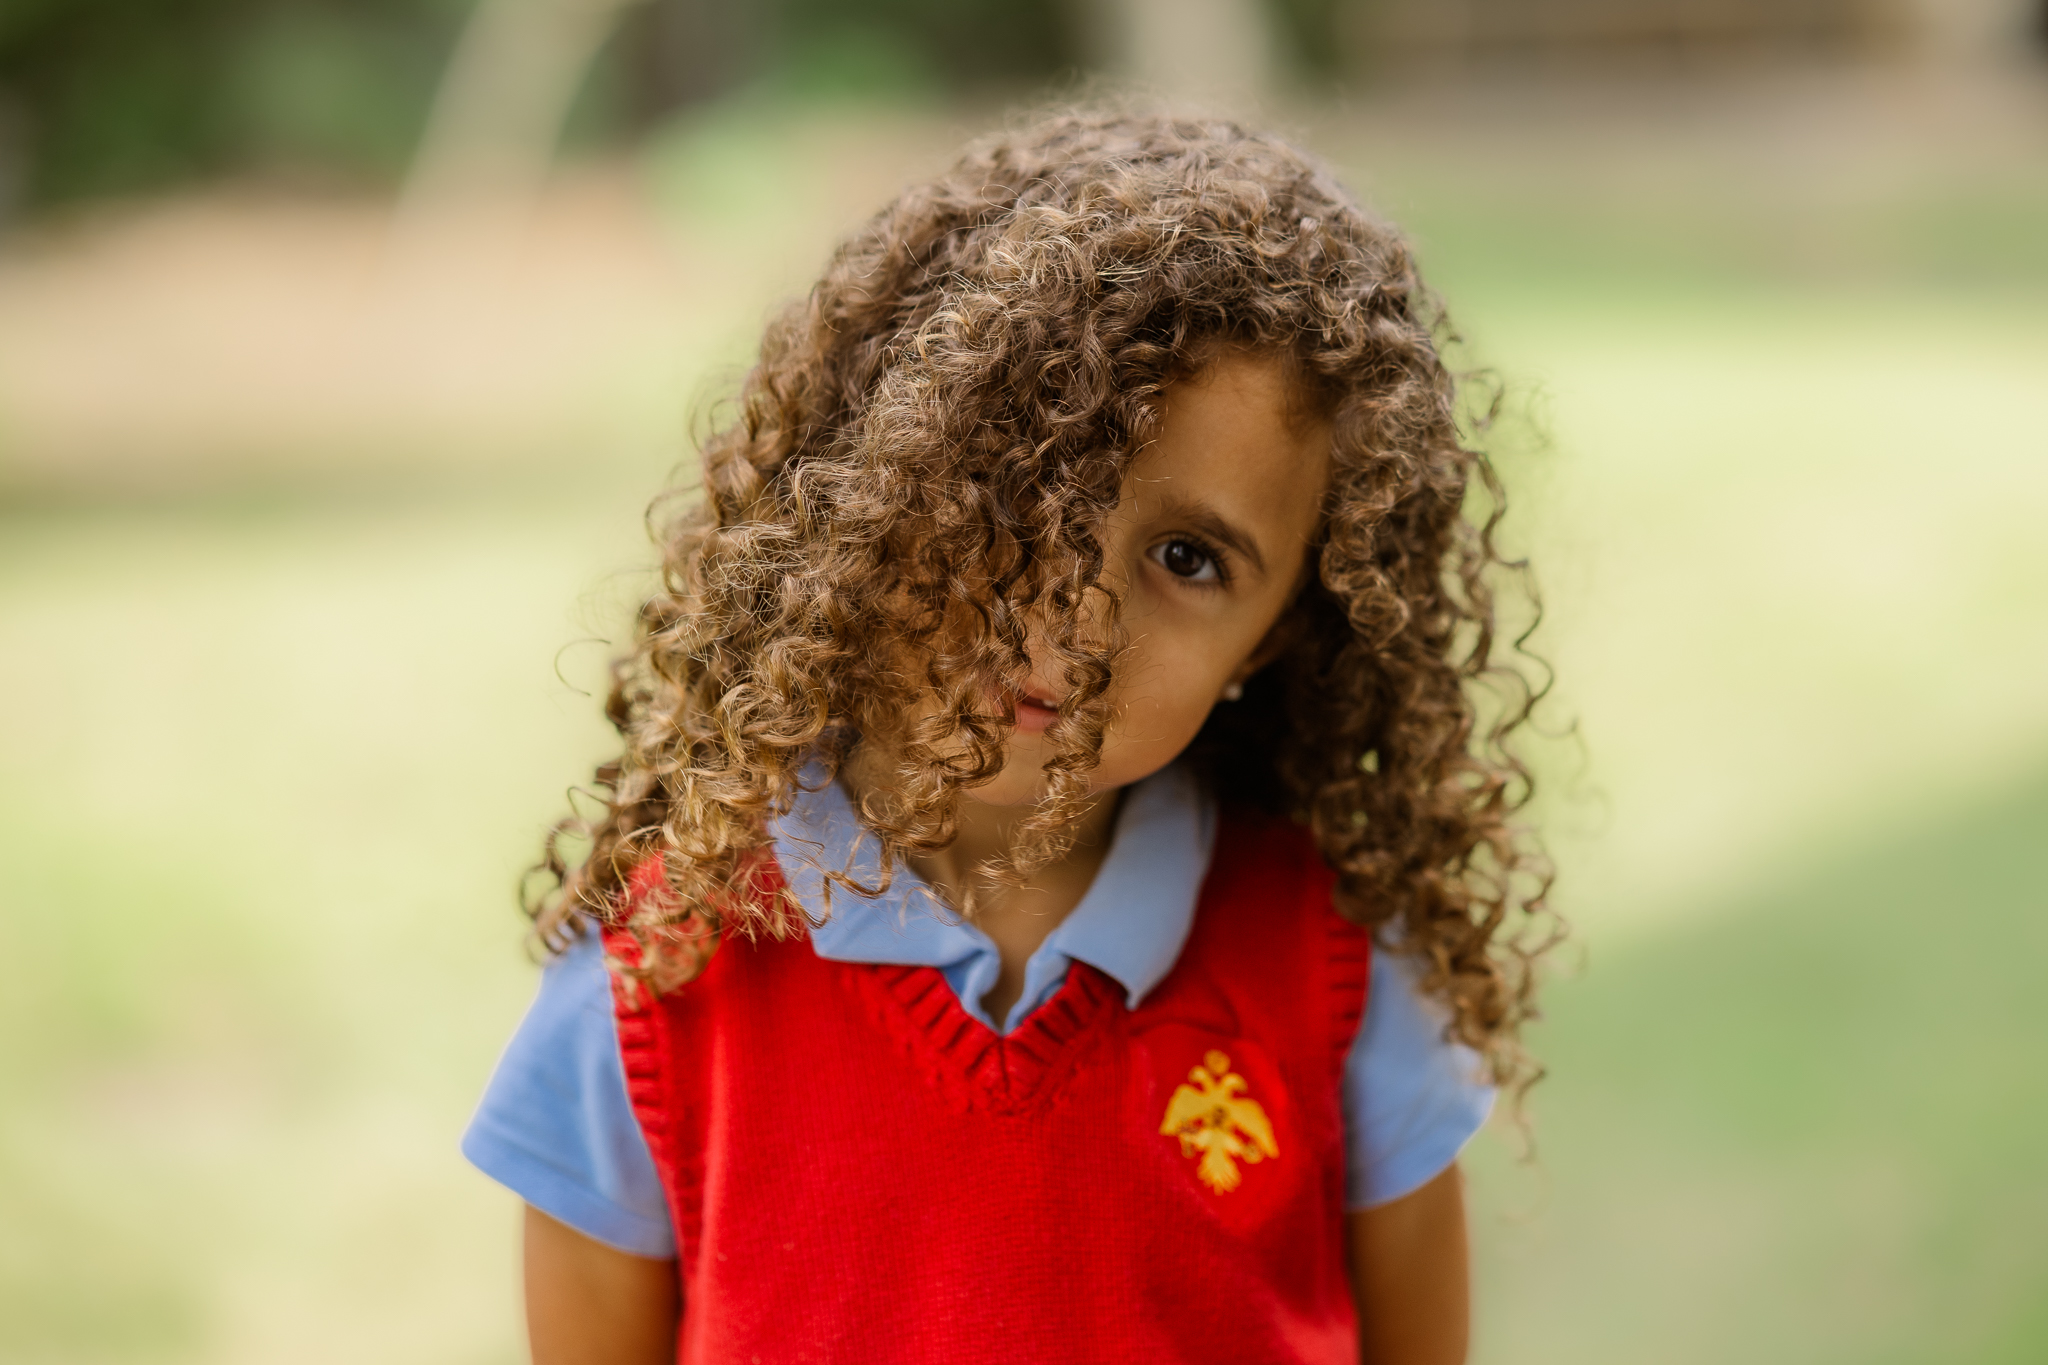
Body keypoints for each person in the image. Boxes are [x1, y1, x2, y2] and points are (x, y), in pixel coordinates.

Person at [464, 108, 1555, 1365]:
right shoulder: (656, 985)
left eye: (1188, 559)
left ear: (1267, 641)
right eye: (1021, 494)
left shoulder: (1335, 977)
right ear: (881, 473)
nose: (1072, 620)